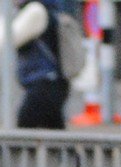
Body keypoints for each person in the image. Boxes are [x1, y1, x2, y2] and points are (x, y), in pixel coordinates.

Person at [12, 0, 81, 129]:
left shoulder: (36, 11)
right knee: (56, 137)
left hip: (43, 83)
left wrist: (6, 16)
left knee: (23, 134)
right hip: (55, 82)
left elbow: (7, 39)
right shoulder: (50, 9)